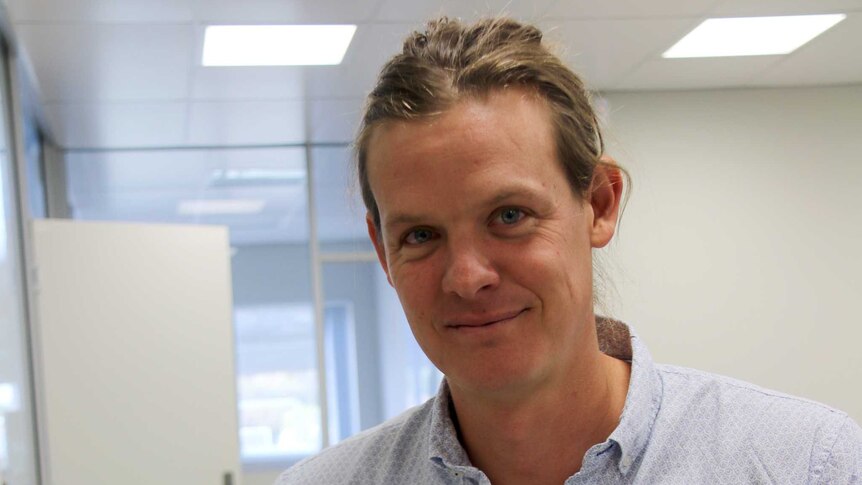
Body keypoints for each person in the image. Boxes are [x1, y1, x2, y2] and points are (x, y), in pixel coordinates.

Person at [277, 16, 861, 484]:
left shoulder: (808, 465)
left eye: (509, 216)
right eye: (421, 236)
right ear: (383, 252)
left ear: (600, 205)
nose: (467, 277)